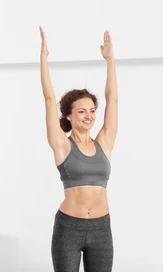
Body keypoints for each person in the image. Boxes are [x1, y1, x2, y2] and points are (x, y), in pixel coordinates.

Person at [39, 28, 118, 272]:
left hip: (101, 228)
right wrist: (43, 59)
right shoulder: (62, 146)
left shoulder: (103, 142)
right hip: (68, 228)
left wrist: (110, 60)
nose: (89, 116)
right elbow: (49, 99)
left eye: (92, 110)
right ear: (69, 116)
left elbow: (112, 99)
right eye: (82, 111)